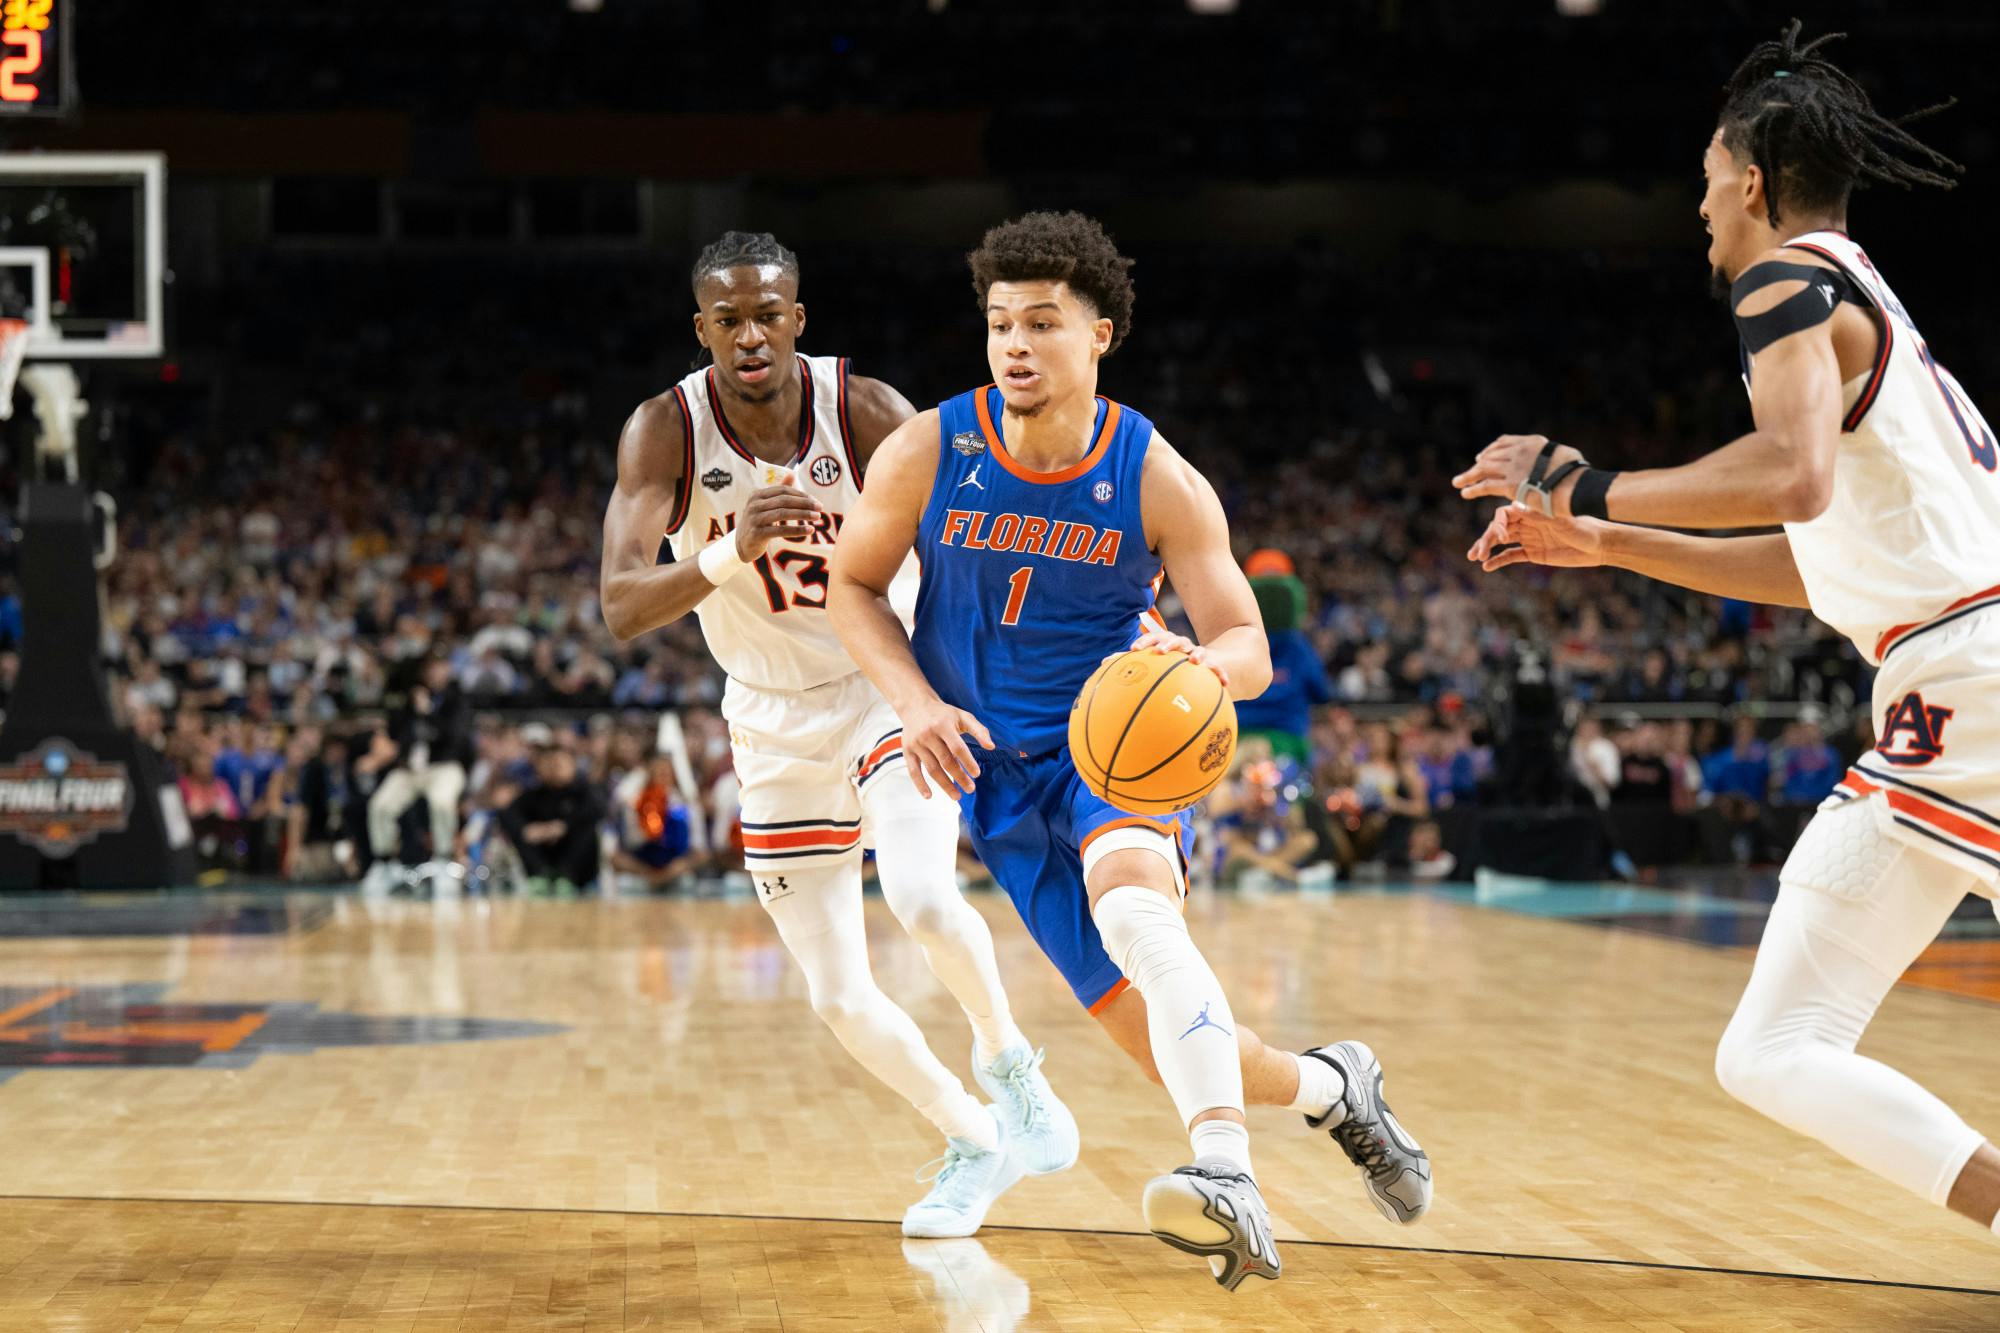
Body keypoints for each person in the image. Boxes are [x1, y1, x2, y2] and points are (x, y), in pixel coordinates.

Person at [1460, 21, 2000, 1237]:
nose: (1699, 208)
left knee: (1783, 1040)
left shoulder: (1782, 277)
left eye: (1706, 181)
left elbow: (1791, 477)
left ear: (1749, 182)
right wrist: (1601, 543)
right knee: (1771, 1045)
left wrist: (1590, 483)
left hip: (1970, 679)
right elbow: (1821, 563)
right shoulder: (1872, 312)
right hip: (1940, 676)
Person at [829, 211, 1430, 1289]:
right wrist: (913, 701)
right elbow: (851, 587)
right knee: (1184, 1050)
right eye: (999, 322)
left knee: (1136, 913)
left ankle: (1225, 1173)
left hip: (1113, 755)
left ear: (1098, 334)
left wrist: (1199, 667)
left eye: (1042, 323)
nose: (1014, 344)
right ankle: (1335, 1087)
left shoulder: (1152, 474)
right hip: (991, 785)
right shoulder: (931, 445)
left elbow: (1247, 638)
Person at [598, 231, 1073, 1239]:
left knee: (919, 892)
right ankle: (973, 1138)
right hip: (767, 721)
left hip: (880, 684)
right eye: (727, 319)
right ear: (702, 331)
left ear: (797, 319)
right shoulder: (665, 433)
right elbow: (620, 605)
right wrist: (729, 551)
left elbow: (978, 537)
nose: (750, 333)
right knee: (837, 996)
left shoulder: (863, 410)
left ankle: (1009, 1060)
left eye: (767, 313)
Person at [362, 652, 472, 890]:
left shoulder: (458, 699)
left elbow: (456, 737)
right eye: (430, 668)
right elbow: (399, 736)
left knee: (441, 802)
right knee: (380, 805)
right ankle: (384, 863)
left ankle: (443, 862)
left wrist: (428, 712)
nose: (434, 673)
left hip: (445, 766)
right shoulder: (412, 697)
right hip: (410, 769)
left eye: (439, 667)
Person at [499, 740, 603, 893]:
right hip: (544, 858)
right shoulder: (533, 795)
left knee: (587, 830)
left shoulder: (585, 792)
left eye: (560, 763)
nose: (555, 768)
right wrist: (527, 829)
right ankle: (539, 876)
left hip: (577, 868)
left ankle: (566, 877)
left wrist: (563, 826)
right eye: (549, 763)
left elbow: (596, 811)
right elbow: (508, 815)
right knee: (521, 833)